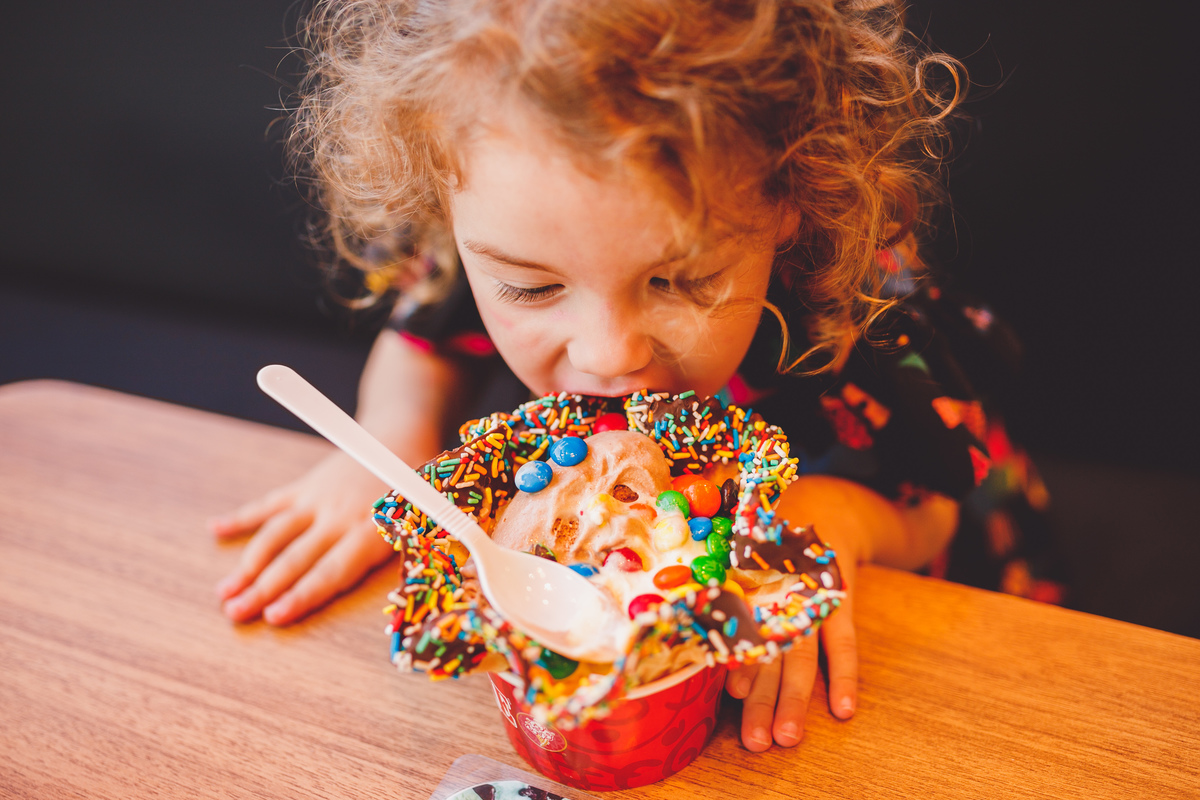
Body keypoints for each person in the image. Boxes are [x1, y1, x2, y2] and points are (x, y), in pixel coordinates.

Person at [211, 0, 1063, 752]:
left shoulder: (851, 315)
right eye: (532, 288)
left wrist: (830, 519)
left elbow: (937, 503)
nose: (607, 354)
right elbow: (420, 340)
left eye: (681, 281)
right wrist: (391, 440)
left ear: (787, 202)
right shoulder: (504, 213)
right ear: (449, 207)